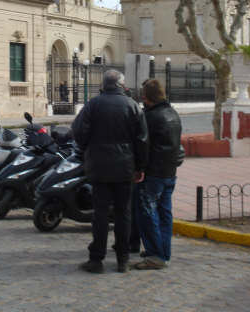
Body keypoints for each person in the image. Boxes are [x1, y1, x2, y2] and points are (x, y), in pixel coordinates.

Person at [72, 69, 148, 273]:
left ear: (104, 85)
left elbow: (78, 131)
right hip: (125, 167)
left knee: (101, 214)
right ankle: (123, 259)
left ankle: (96, 259)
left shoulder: (93, 105)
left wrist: (88, 148)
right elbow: (142, 140)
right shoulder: (132, 106)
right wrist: (140, 166)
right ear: (122, 85)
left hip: (99, 166)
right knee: (123, 213)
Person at [132, 79, 182, 270]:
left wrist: (139, 169)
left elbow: (143, 145)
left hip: (153, 174)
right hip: (169, 172)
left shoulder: (150, 117)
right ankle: (163, 252)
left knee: (147, 213)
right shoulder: (173, 114)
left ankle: (155, 254)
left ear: (147, 97)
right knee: (164, 213)